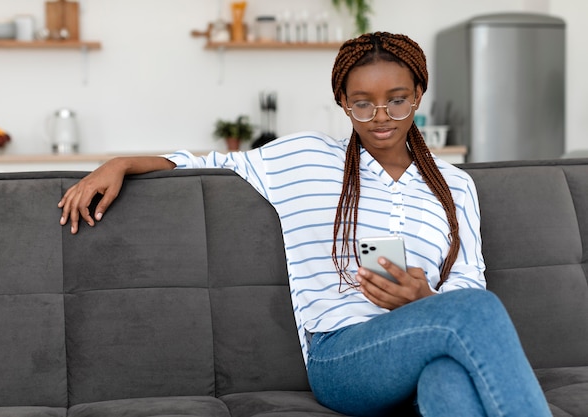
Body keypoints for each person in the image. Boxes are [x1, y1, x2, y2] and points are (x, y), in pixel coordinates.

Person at [58, 31, 552, 417]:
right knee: (480, 312)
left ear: (419, 95)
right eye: (362, 102)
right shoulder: (303, 158)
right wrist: (121, 162)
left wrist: (423, 302)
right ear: (343, 101)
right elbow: (203, 162)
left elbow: (467, 285)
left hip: (423, 342)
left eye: (398, 99)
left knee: (447, 379)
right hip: (342, 356)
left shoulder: (455, 186)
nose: (381, 115)